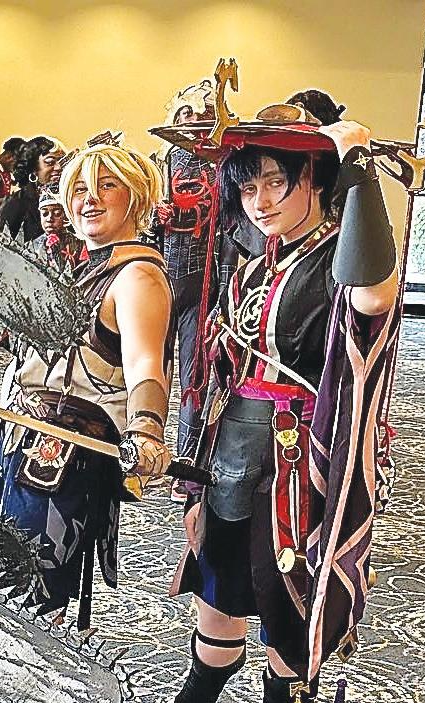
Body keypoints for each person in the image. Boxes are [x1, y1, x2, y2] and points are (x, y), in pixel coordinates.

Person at [131, 93, 400, 703]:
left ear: (313, 180)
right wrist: (195, 477)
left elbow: (374, 299)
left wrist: (357, 166)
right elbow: (216, 371)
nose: (260, 201)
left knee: (287, 610)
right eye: (248, 187)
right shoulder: (256, 263)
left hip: (297, 468)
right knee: (218, 590)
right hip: (231, 453)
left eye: (277, 181)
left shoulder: (339, 260)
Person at [0, 137, 174, 613]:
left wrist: (147, 429)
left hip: (65, 456)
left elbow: (146, 364)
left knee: (29, 592)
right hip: (20, 438)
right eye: (80, 189)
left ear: (136, 197)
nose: (90, 199)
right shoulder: (89, 269)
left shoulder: (137, 277)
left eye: (107, 186)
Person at [153, 81, 241, 503]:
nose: (194, 120)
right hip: (160, 280)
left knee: (195, 377)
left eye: (203, 113)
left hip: (206, 287)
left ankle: (185, 464)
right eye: (186, 114)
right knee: (146, 371)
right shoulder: (161, 161)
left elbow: (234, 222)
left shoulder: (226, 163)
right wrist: (154, 216)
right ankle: (139, 455)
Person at [0, 135, 66, 243]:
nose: (58, 167)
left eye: (62, 162)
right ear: (33, 169)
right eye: (50, 162)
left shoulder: (71, 199)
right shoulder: (15, 204)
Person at [29, 183, 86, 272]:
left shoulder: (79, 243)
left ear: (66, 216)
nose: (49, 219)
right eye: (45, 214)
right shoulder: (34, 246)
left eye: (57, 214)